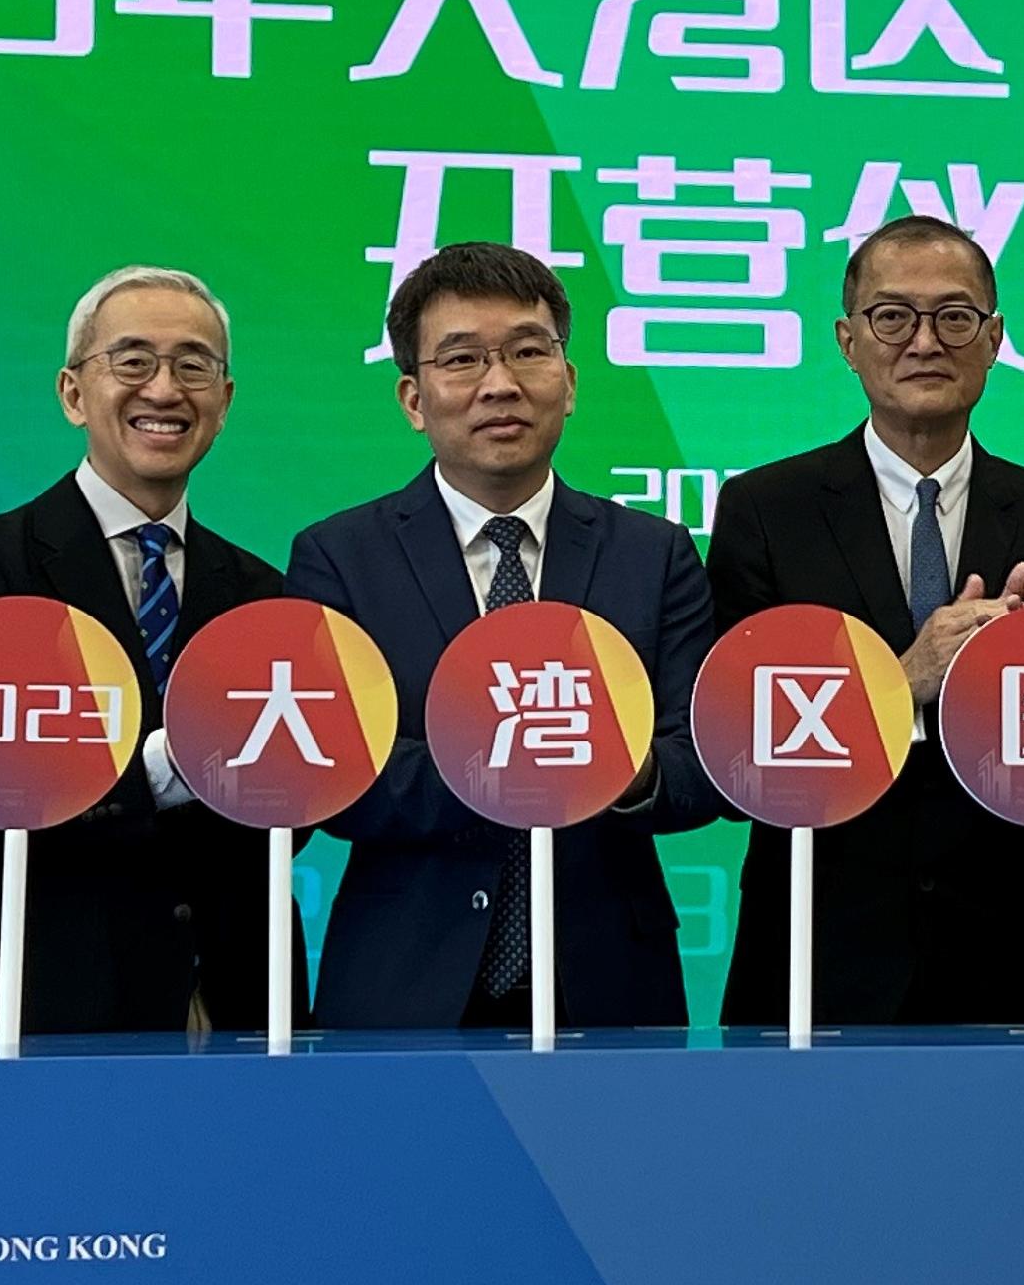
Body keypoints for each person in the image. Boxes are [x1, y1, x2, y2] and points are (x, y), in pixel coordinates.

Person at [288, 245, 719, 1028]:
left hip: (610, 983)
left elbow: (702, 763)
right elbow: (337, 770)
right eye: (463, 359)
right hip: (403, 981)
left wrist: (623, 770)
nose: (500, 384)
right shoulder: (341, 558)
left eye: (529, 351)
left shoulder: (653, 555)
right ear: (414, 399)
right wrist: (519, 764)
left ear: (571, 381)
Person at [705, 215, 1024, 1028]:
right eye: (893, 317)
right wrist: (903, 680)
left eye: (955, 317)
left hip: (1006, 944)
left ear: (995, 341)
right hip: (818, 938)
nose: (925, 340)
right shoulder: (765, 511)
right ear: (848, 340)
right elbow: (732, 746)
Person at [0, 267, 289, 1036]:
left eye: (194, 365)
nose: (164, 389)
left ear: (224, 404)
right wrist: (154, 779)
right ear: (73, 393)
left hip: (239, 1005)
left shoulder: (264, 595)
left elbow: (296, 799)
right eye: (133, 361)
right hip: (52, 1007)